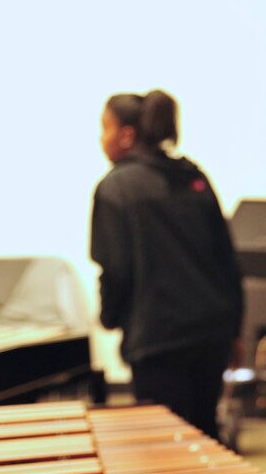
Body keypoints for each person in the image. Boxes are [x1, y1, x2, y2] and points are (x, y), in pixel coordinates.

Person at [91, 89, 243, 442]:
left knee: (165, 448)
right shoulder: (194, 176)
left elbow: (115, 269)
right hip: (212, 336)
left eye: (104, 128)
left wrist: (109, 318)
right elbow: (227, 261)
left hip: (157, 344)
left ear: (127, 134)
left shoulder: (114, 188)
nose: (101, 139)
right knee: (206, 438)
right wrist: (234, 329)